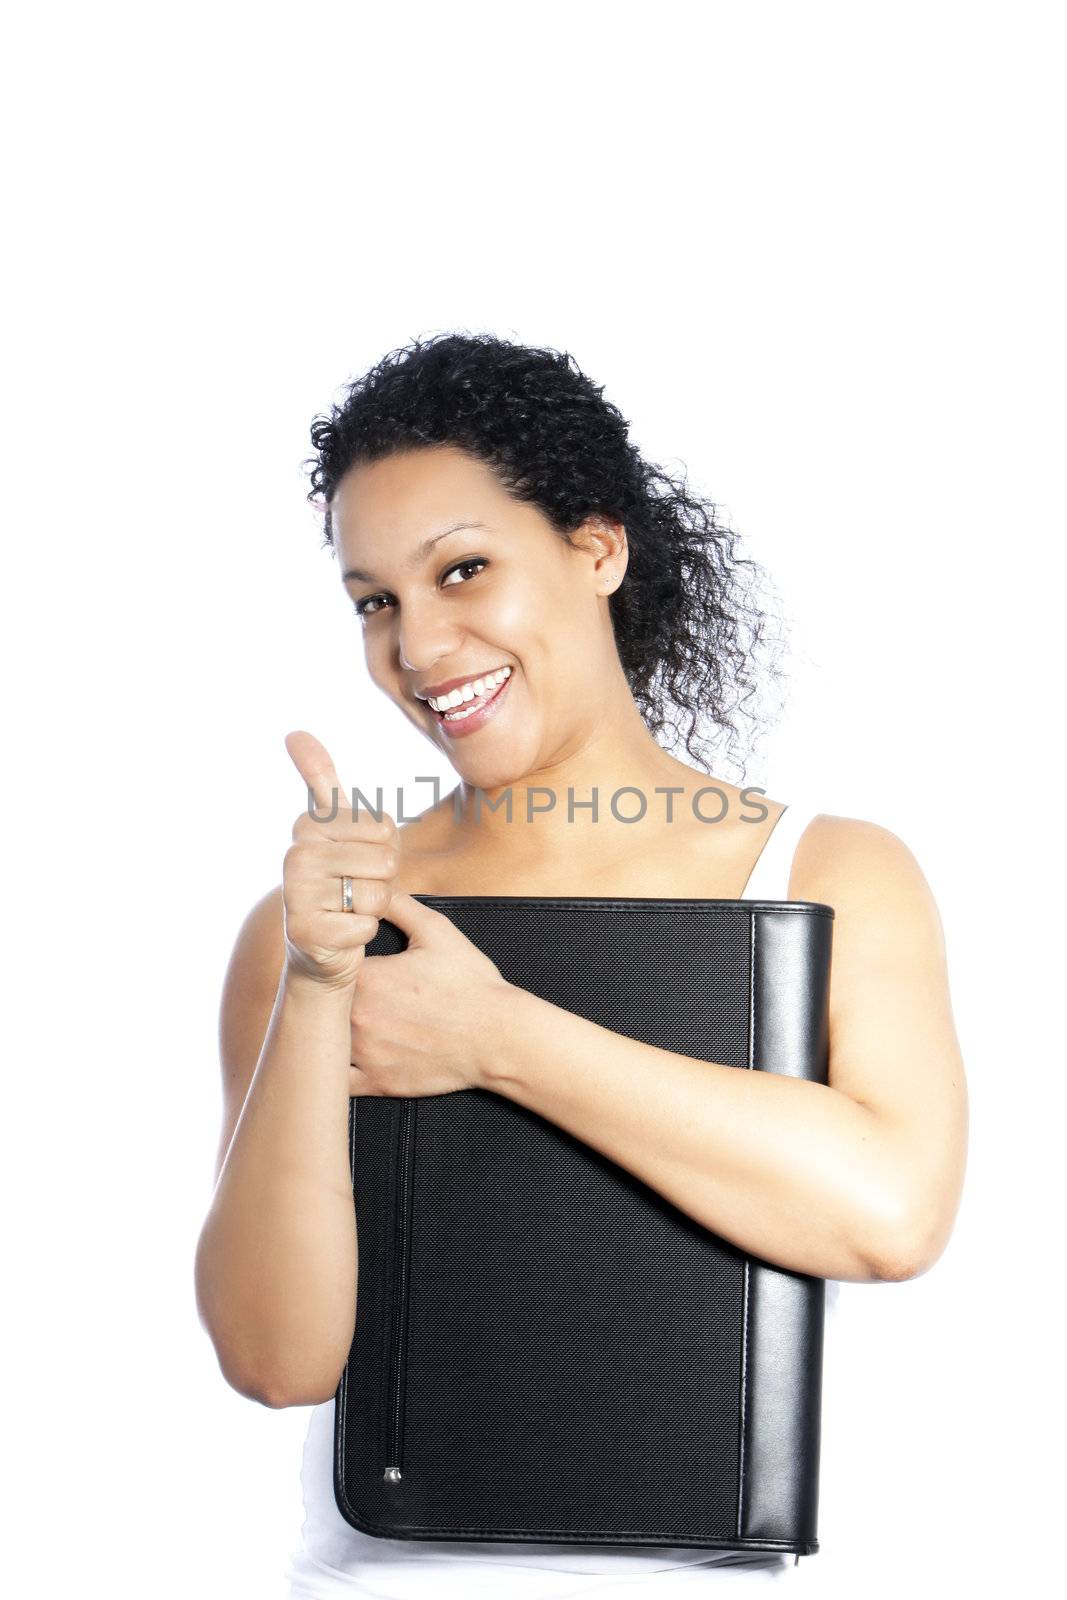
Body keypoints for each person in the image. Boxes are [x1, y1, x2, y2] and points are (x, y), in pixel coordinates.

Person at [194, 332, 969, 1598]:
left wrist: (495, 1037)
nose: (421, 645)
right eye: (375, 600)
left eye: (463, 570)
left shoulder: (825, 874)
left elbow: (885, 1217)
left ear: (594, 550)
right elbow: (276, 1359)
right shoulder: (328, 919)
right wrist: (320, 980)